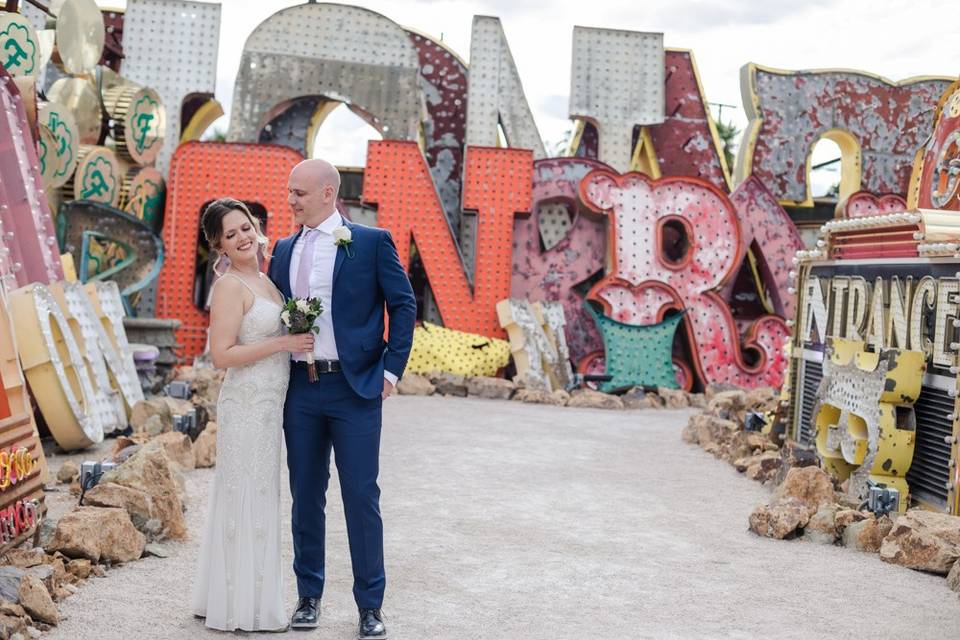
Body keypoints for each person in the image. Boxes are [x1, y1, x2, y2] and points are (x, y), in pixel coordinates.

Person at [268, 159, 416, 639]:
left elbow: (404, 303)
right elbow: (270, 308)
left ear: (328, 192)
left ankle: (370, 607)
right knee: (305, 497)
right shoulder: (284, 248)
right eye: (289, 192)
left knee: (361, 498)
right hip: (301, 390)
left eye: (299, 193)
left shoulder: (371, 242)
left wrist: (390, 371)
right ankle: (308, 598)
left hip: (356, 390)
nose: (291, 200)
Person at [191, 198, 315, 632]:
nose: (243, 237)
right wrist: (283, 344)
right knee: (245, 494)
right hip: (245, 406)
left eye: (246, 227)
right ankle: (240, 606)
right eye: (231, 234)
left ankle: (234, 595)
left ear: (257, 228)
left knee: (261, 495)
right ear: (219, 245)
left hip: (269, 408)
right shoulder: (229, 286)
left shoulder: (267, 282)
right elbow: (222, 355)